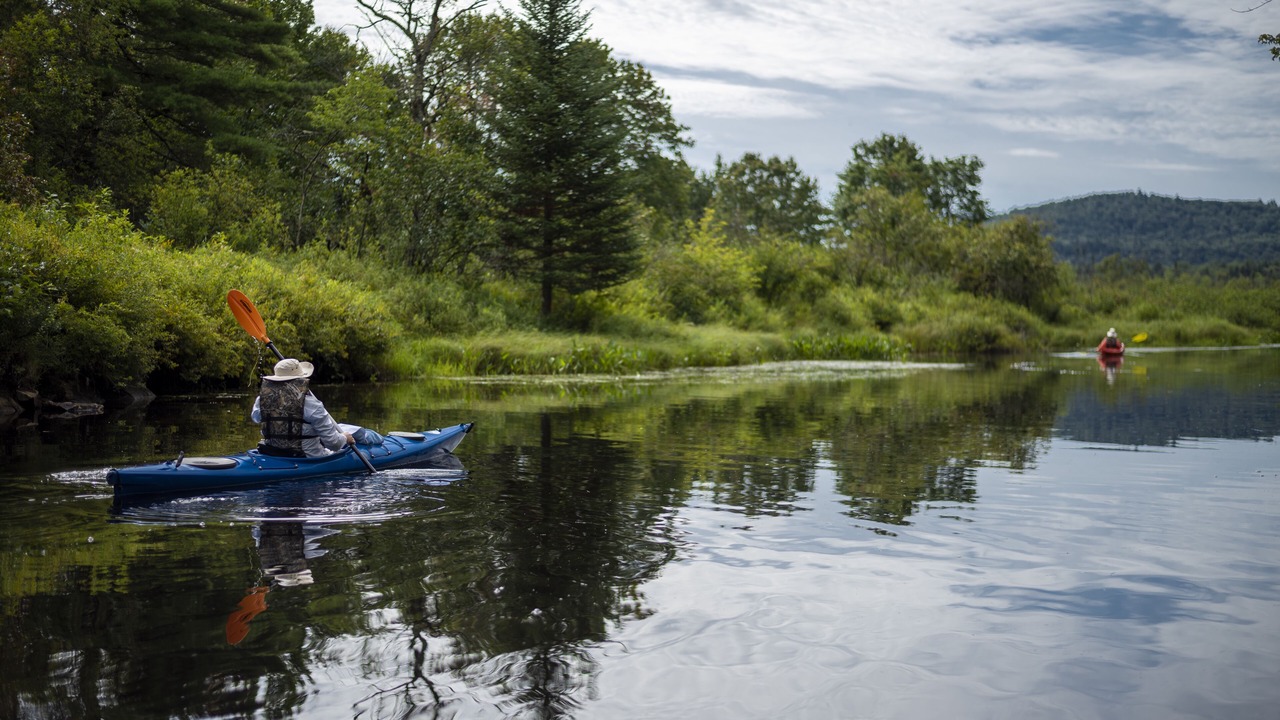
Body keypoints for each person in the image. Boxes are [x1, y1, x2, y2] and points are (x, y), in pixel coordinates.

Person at [251, 358, 355, 457]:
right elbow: (334, 444)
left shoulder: (261, 400)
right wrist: (345, 438)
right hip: (306, 458)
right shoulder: (312, 404)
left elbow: (256, 418)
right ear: (300, 380)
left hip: (272, 454)